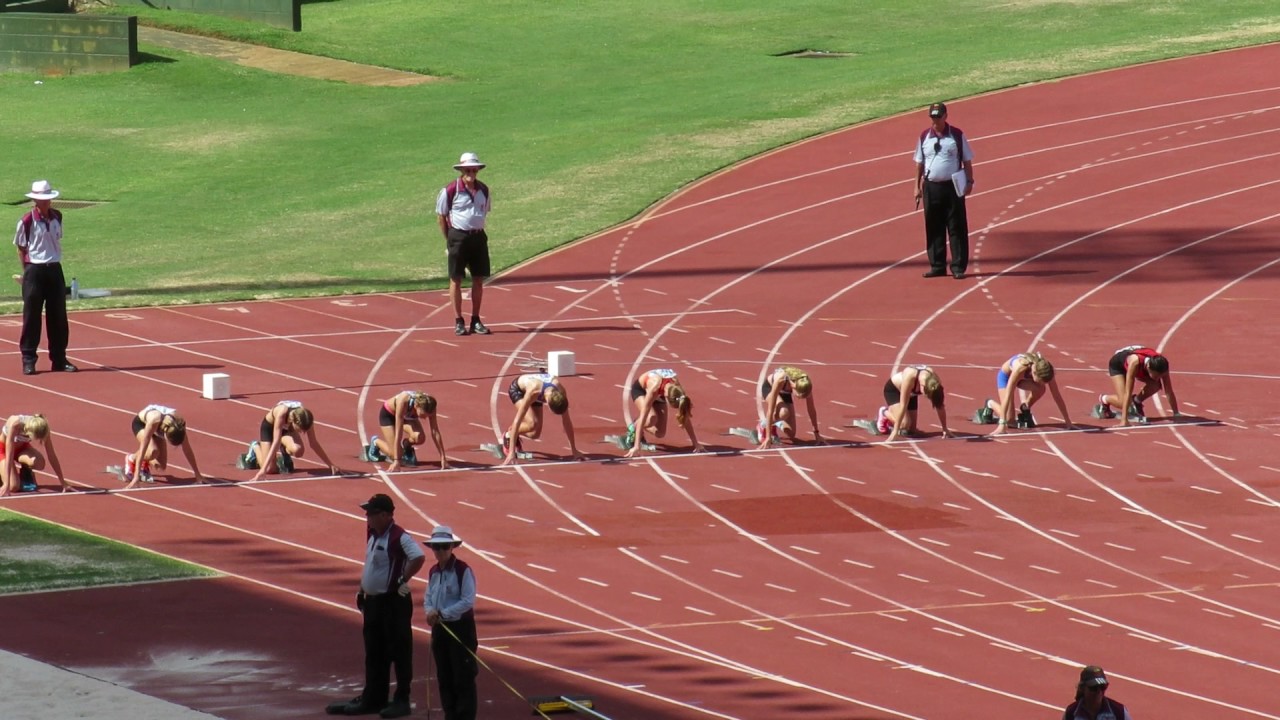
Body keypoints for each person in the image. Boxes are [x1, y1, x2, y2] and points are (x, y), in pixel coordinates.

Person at [325, 494, 424, 719]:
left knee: (399, 650)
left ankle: (402, 699)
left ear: (385, 515)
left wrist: (402, 579)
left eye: (371, 513)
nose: (367, 517)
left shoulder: (399, 536)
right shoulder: (373, 535)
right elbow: (370, 565)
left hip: (392, 602)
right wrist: (362, 590)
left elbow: (418, 557)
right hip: (373, 603)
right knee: (374, 652)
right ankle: (373, 697)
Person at [13, 180, 77, 375]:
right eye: (42, 199)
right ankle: (28, 359)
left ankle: (59, 358)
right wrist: (27, 272)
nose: (46, 202)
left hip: (54, 269)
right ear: (35, 200)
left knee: (58, 316)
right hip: (35, 270)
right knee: (32, 316)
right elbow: (21, 248)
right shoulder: (26, 221)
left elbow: (56, 241)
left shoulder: (58, 216)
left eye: (48, 198)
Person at [913, 102, 975, 280]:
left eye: (938, 117)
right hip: (931, 187)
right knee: (933, 227)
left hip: (952, 187)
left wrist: (969, 181)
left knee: (956, 226)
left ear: (945, 116)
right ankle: (937, 265)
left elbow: (967, 161)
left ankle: (958, 266)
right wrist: (916, 186)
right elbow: (919, 163)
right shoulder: (924, 136)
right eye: (932, 117)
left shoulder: (956, 135)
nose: (935, 121)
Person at [423, 526, 478, 720]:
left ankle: (464, 716)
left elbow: (467, 600)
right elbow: (428, 596)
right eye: (436, 548)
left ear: (452, 547)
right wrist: (430, 612)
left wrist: (443, 614)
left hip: (460, 630)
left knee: (462, 676)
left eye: (444, 547)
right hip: (440, 630)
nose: (440, 551)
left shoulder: (463, 571)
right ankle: (451, 715)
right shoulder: (433, 572)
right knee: (444, 676)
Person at [436, 152, 492, 337]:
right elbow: (441, 216)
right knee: (456, 279)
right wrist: (449, 239)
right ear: (461, 170)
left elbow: (485, 212)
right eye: (468, 169)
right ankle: (458, 320)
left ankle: (476, 320)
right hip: (458, 237)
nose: (471, 172)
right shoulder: (450, 190)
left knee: (478, 279)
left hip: (478, 237)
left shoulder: (484, 190)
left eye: (474, 169)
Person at [977, 352, 1075, 435]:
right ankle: (990, 403)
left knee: (1041, 389)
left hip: (1022, 380)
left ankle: (1025, 407)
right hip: (1006, 378)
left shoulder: (1047, 369)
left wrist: (1068, 422)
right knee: (1009, 420)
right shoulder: (1020, 367)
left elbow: (1057, 396)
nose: (1042, 383)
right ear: (1034, 373)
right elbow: (1008, 394)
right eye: (1040, 380)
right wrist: (1002, 425)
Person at [240, 400, 340, 480]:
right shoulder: (282, 413)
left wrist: (330, 465)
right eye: (300, 430)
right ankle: (255, 446)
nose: (302, 433)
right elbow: (276, 441)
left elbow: (313, 443)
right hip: (270, 428)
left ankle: (284, 450)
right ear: (293, 421)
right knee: (270, 469)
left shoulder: (306, 418)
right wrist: (262, 471)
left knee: (298, 451)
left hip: (287, 430)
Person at [500, 373, 584, 465]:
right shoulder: (533, 391)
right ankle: (509, 434)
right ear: (548, 403)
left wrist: (574, 449)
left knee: (534, 434)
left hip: (539, 393)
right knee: (532, 423)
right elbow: (517, 420)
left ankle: (514, 434)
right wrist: (511, 452)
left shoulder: (561, 392)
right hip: (519, 390)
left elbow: (567, 422)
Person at [123, 405, 206, 489]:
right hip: (142, 424)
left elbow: (187, 449)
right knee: (153, 451)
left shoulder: (179, 424)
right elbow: (143, 449)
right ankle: (131, 458)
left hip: (158, 429)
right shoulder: (154, 420)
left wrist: (197, 474)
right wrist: (136, 477)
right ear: (165, 433)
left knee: (160, 466)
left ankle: (145, 461)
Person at [625, 368, 703, 457]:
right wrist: (636, 446)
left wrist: (695, 443)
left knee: (660, 433)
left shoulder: (678, 391)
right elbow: (643, 415)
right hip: (641, 390)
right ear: (666, 396)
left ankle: (638, 424)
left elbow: (684, 415)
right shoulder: (654, 387)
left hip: (660, 394)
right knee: (652, 418)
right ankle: (633, 427)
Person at [1096, 345, 1180, 426]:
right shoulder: (1135, 363)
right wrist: (1124, 420)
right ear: (1148, 367)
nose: (1158, 378)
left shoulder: (1162, 365)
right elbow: (1128, 392)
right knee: (1124, 402)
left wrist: (1176, 413)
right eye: (1155, 375)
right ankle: (1104, 399)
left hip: (1139, 362)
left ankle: (1136, 401)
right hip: (1118, 365)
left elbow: (1169, 391)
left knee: (1156, 385)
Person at [365, 390, 448, 471]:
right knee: (396, 454)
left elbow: (435, 431)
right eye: (422, 415)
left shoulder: (431, 406)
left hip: (406, 417)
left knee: (420, 438)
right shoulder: (403, 401)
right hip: (389, 416)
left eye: (427, 416)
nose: (425, 418)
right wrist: (396, 461)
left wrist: (443, 457)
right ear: (416, 405)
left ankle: (406, 446)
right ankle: (376, 442)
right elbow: (399, 433)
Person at [0, 413, 69, 496]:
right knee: (13, 487)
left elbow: (51, 455)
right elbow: (9, 454)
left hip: (22, 449)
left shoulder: (43, 428)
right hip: (3, 450)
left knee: (39, 463)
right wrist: (6, 484)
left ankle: (26, 473)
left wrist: (62, 481)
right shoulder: (16, 424)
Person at [879, 365, 953, 441]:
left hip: (912, 394)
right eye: (926, 394)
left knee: (911, 430)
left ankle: (897, 416)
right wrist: (895, 432)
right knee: (904, 424)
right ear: (923, 385)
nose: (925, 396)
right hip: (895, 391)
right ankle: (884, 412)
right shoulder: (910, 378)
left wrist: (945, 429)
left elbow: (939, 405)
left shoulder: (935, 382)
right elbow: (903, 405)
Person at [758, 365, 824, 449]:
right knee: (784, 412)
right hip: (770, 388)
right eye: (799, 396)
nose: (800, 399)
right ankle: (762, 425)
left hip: (785, 393)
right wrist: (768, 437)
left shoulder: (806, 385)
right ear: (794, 386)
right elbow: (770, 409)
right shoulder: (781, 379)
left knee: (791, 433)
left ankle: (774, 423)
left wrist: (816, 433)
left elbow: (811, 410)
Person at [1062, 665, 1132, 720]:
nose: (1099, 691)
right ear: (1082, 688)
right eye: (1093, 688)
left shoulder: (1119, 711)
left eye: (1102, 687)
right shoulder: (1071, 713)